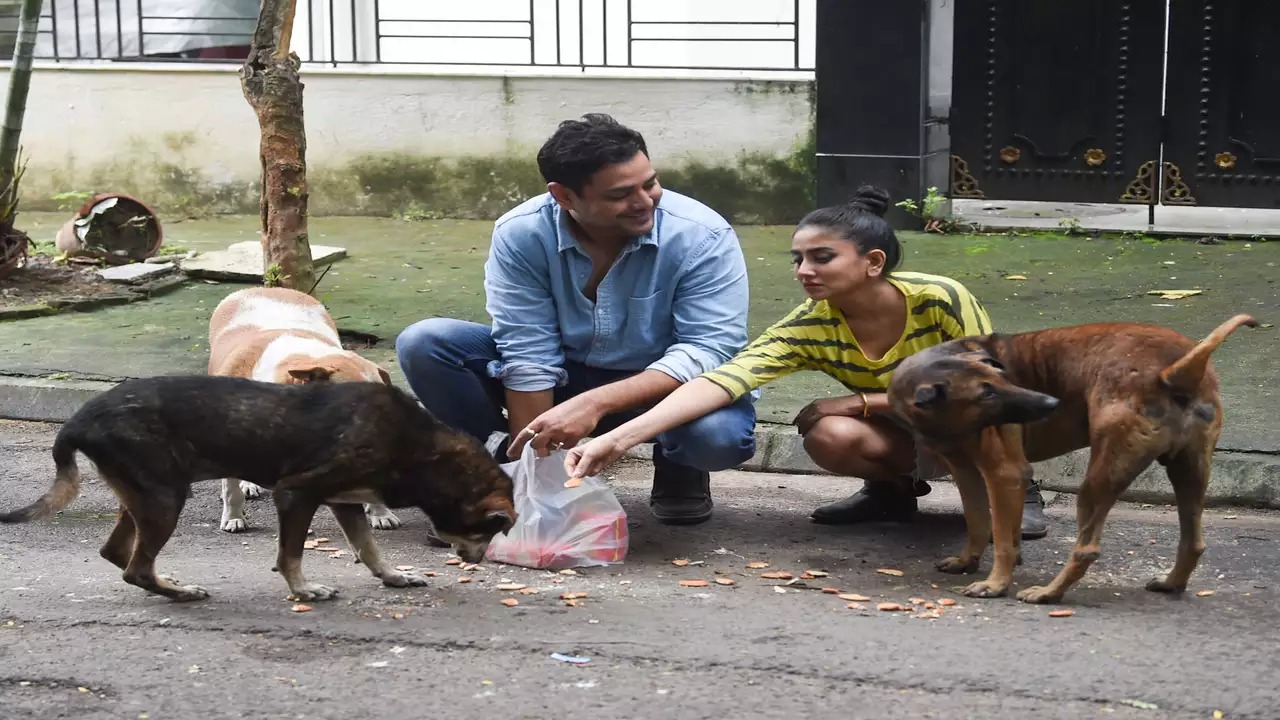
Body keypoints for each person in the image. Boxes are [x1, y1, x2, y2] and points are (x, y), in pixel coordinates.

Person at [562, 185, 1050, 538]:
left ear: (873, 263)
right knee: (828, 435)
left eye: (822, 258)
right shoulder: (810, 324)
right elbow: (725, 379)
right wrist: (618, 437)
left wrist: (860, 401)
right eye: (797, 259)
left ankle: (1015, 485)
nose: (804, 271)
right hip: (912, 432)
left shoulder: (939, 298)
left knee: (980, 400)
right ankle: (891, 494)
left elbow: (987, 381)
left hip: (973, 419)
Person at [396, 113, 758, 532]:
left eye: (650, 183)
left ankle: (678, 464)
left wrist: (595, 403)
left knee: (717, 438)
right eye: (621, 194)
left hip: (666, 388)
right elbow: (527, 350)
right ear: (564, 196)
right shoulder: (521, 233)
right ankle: (494, 475)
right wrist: (534, 476)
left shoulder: (702, 235)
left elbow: (709, 351)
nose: (645, 202)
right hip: (568, 375)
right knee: (426, 342)